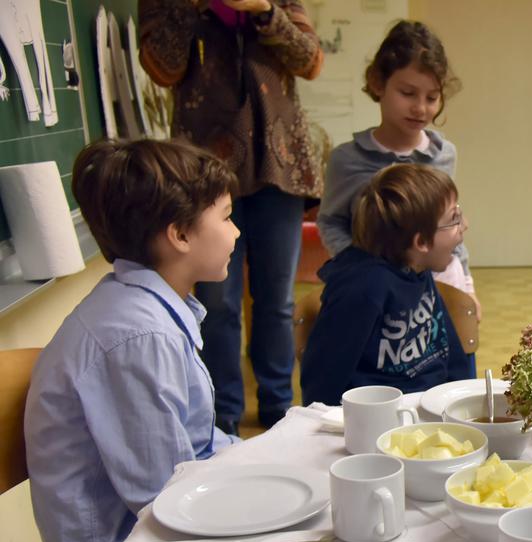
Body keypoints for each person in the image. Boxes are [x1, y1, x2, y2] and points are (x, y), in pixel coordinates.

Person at [24, 139, 240, 542]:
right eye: (225, 217)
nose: (236, 231)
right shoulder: (139, 336)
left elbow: (199, 445)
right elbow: (162, 498)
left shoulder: (147, 311)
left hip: (151, 530)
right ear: (179, 235)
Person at [139, 0, 325, 436]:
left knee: (276, 299)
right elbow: (160, 68)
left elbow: (310, 60)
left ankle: (279, 409)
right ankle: (220, 416)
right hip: (202, 168)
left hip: (277, 166)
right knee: (217, 303)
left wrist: (263, 9)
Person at [316, 20, 479, 316]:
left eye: (432, 98)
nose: (421, 108)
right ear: (379, 83)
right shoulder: (346, 159)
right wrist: (361, 265)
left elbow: (450, 226)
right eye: (408, 93)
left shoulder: (444, 155)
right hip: (372, 294)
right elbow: (330, 222)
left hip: (437, 290)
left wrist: (467, 286)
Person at [300, 164, 472, 405]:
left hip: (431, 410)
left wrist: (463, 403)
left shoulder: (418, 268)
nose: (465, 225)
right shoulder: (362, 288)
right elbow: (323, 380)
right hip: (383, 423)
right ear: (421, 241)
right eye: (454, 219)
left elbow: (451, 353)